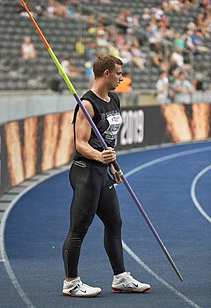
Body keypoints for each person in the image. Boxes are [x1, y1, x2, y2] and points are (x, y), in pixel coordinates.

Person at [62, 55, 151, 297]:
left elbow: (107, 140)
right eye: (119, 73)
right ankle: (71, 282)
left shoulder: (114, 100)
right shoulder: (87, 104)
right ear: (105, 74)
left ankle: (120, 277)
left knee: (114, 223)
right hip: (86, 172)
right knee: (79, 229)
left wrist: (111, 164)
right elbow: (80, 144)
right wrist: (99, 156)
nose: (122, 77)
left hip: (103, 172)